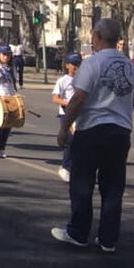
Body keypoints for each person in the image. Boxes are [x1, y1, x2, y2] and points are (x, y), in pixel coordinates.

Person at [51, 18, 134, 253]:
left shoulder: (93, 63)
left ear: (96, 36)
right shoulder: (130, 65)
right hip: (120, 131)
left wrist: (63, 126)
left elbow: (78, 98)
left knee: (82, 183)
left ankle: (78, 232)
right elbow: (132, 101)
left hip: (93, 130)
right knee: (112, 187)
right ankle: (108, 240)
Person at [52, 53, 82, 182]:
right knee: (70, 141)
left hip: (80, 114)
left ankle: (75, 168)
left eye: (79, 64)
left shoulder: (83, 80)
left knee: (80, 142)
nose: (77, 67)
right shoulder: (63, 81)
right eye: (74, 64)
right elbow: (55, 98)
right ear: (67, 65)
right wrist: (69, 103)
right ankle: (65, 167)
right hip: (67, 114)